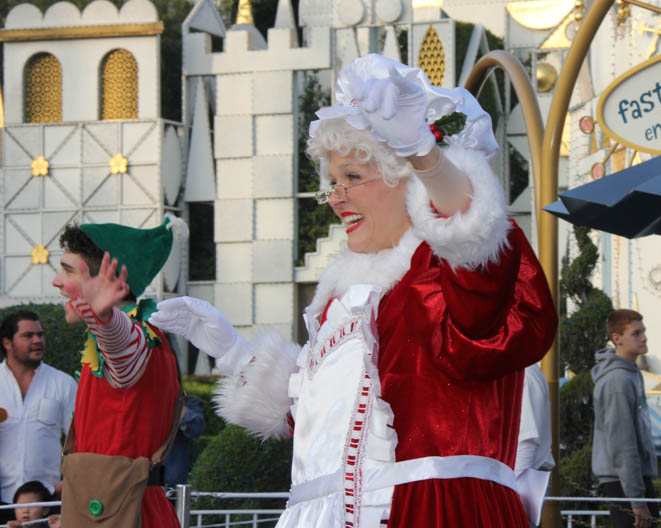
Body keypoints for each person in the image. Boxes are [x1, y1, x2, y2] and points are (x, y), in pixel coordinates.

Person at [149, 53, 557, 527]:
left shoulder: (447, 272)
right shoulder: (344, 299)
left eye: (353, 178)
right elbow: (328, 435)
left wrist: (425, 153)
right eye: (333, 183)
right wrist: (234, 352)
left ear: (410, 181)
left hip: (433, 513)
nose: (336, 197)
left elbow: (480, 263)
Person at [51, 218, 185, 528]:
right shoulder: (134, 334)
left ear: (107, 283)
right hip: (110, 508)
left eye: (69, 270)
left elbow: (123, 352)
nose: (57, 281)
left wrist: (104, 319)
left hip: (124, 513)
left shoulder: (137, 334)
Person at [590, 309, 659, 528]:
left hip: (629, 480)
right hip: (622, 481)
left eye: (643, 331)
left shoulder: (630, 373)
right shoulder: (617, 380)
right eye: (636, 333)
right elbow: (622, 442)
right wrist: (637, 500)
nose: (644, 337)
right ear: (616, 339)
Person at [0, 311, 76, 505]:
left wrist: (70, 481)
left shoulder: (63, 383)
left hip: (46, 500)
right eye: (28, 335)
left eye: (40, 334)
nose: (37, 340)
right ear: (7, 343)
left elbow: (80, 440)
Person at [515, 363, 555, 527]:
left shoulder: (523, 373)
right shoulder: (522, 371)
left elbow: (527, 441)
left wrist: (515, 493)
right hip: (518, 481)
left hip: (521, 482)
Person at [163, 395, 206, 488]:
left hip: (172, 483)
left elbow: (197, 428)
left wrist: (178, 407)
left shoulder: (188, 402)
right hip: (141, 478)